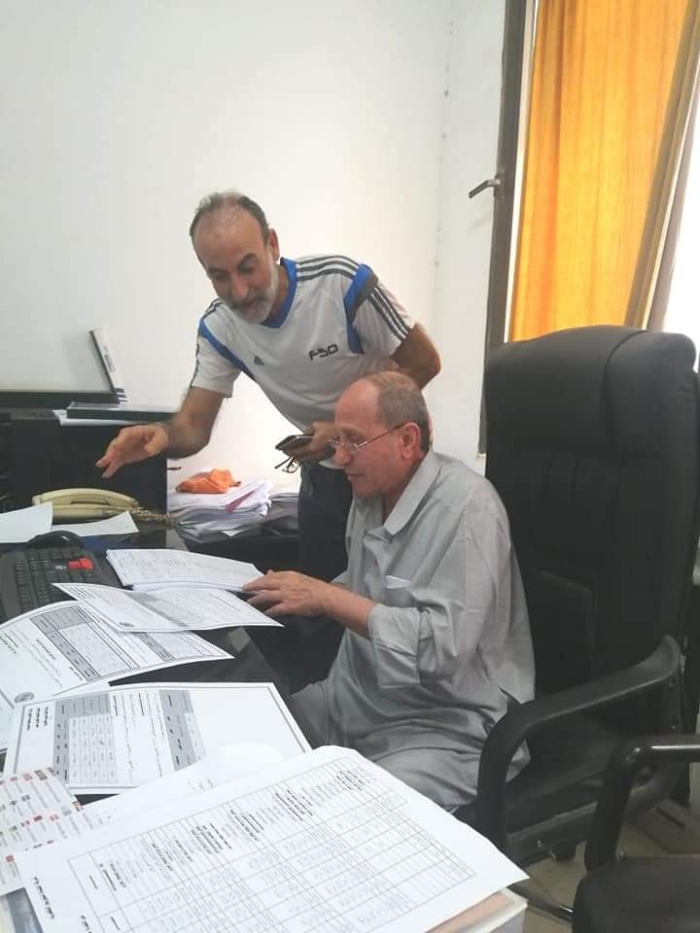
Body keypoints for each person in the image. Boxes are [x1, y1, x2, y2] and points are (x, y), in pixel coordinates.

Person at [97, 190, 440, 591]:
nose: (239, 291)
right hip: (327, 476)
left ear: (272, 245)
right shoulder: (220, 328)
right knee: (320, 601)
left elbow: (424, 362)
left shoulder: (341, 283)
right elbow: (193, 426)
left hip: (391, 467)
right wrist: (162, 435)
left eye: (248, 268)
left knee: (395, 599)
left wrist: (343, 432)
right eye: (219, 277)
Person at [244, 371, 535, 810]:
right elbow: (371, 582)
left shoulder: (469, 509)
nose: (340, 457)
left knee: (344, 811)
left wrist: (327, 597)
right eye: (338, 440)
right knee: (251, 734)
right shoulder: (370, 492)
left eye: (354, 441)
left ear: (407, 440)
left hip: (442, 728)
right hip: (352, 699)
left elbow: (443, 648)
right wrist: (307, 594)